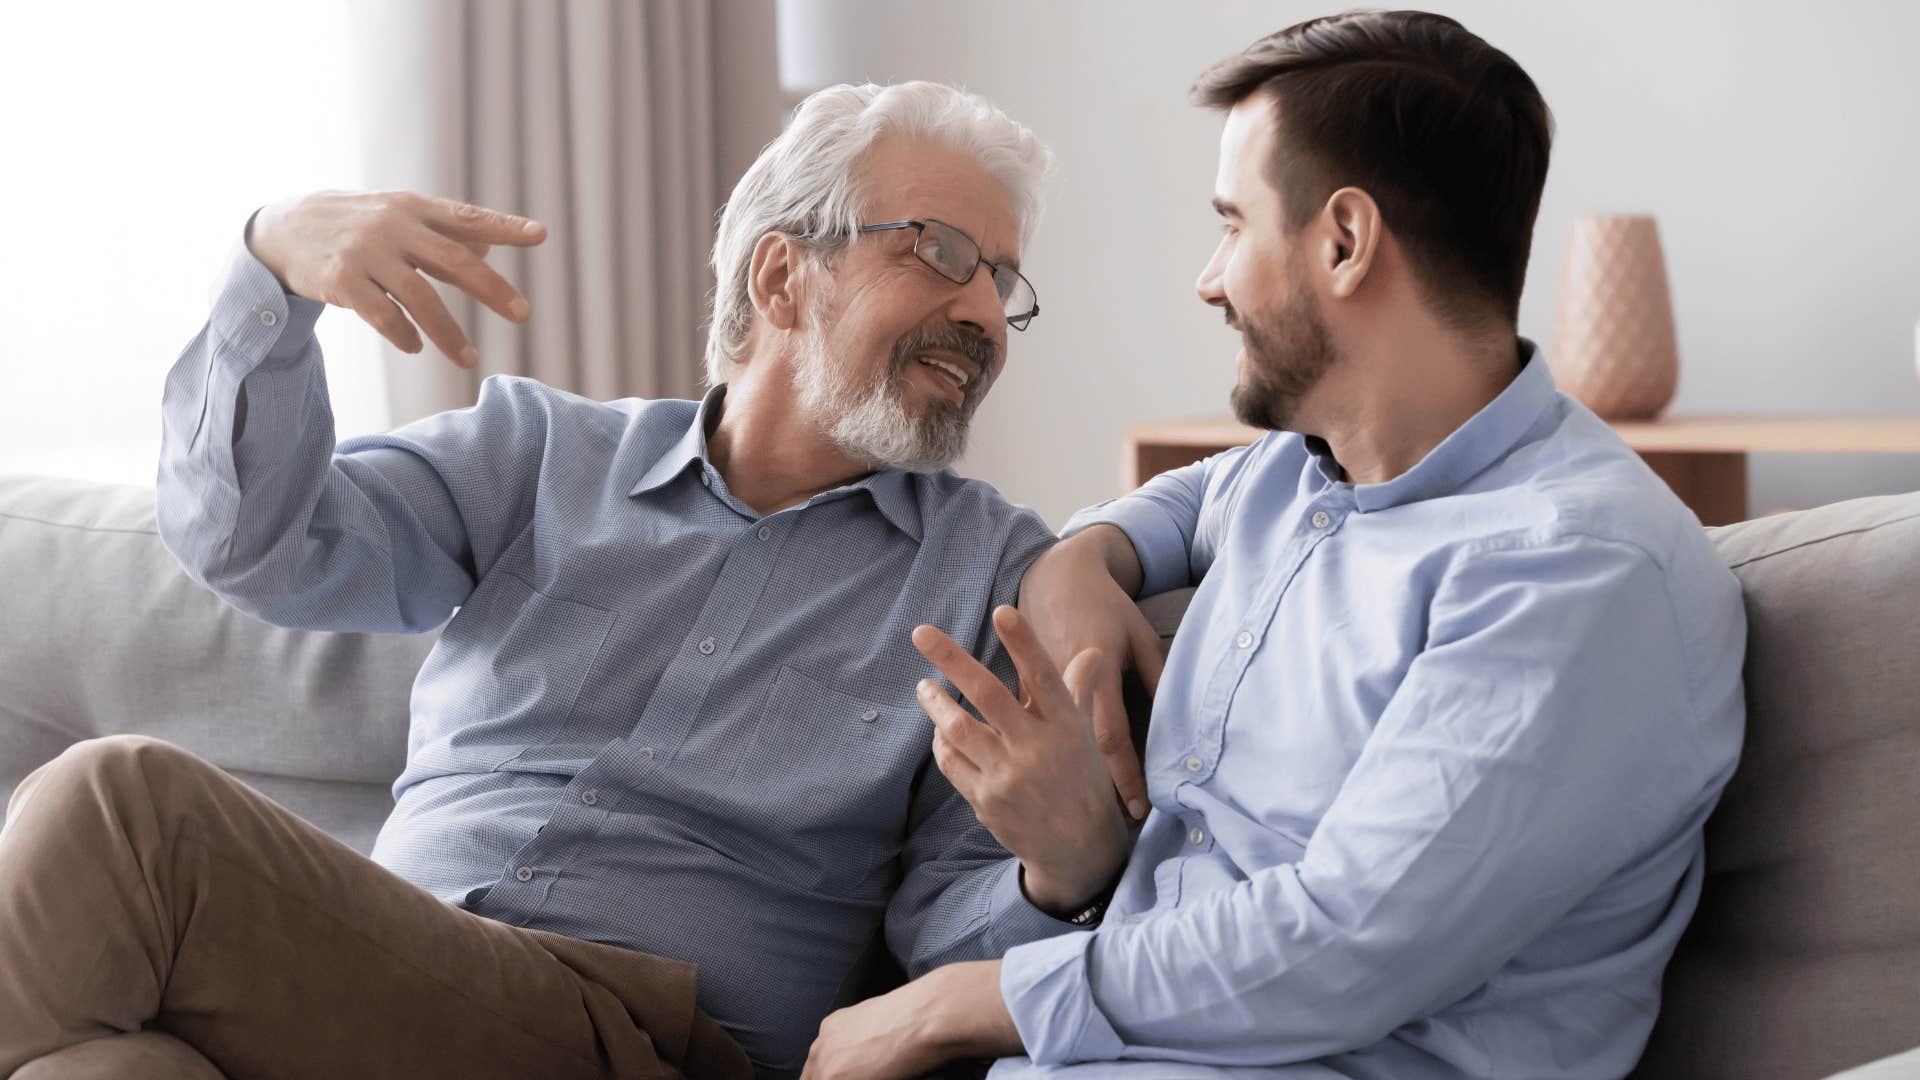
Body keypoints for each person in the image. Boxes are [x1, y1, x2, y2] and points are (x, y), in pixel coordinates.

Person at [0, 81, 1122, 1080]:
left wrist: (1062, 875)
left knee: (120, 808)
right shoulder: (540, 456)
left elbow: (945, 950)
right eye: (939, 253)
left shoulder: (991, 575)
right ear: (784, 277)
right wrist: (273, 264)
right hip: (385, 977)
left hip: (646, 1037)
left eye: (1002, 279)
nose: (982, 311)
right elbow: (257, 547)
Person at [801, 12, 1747, 1079]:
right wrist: (1083, 556)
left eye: (1232, 226)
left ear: (1344, 242)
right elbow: (1177, 503)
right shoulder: (1302, 469)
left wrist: (960, 1004)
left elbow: (1341, 946)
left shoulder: (1574, 570)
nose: (1209, 280)